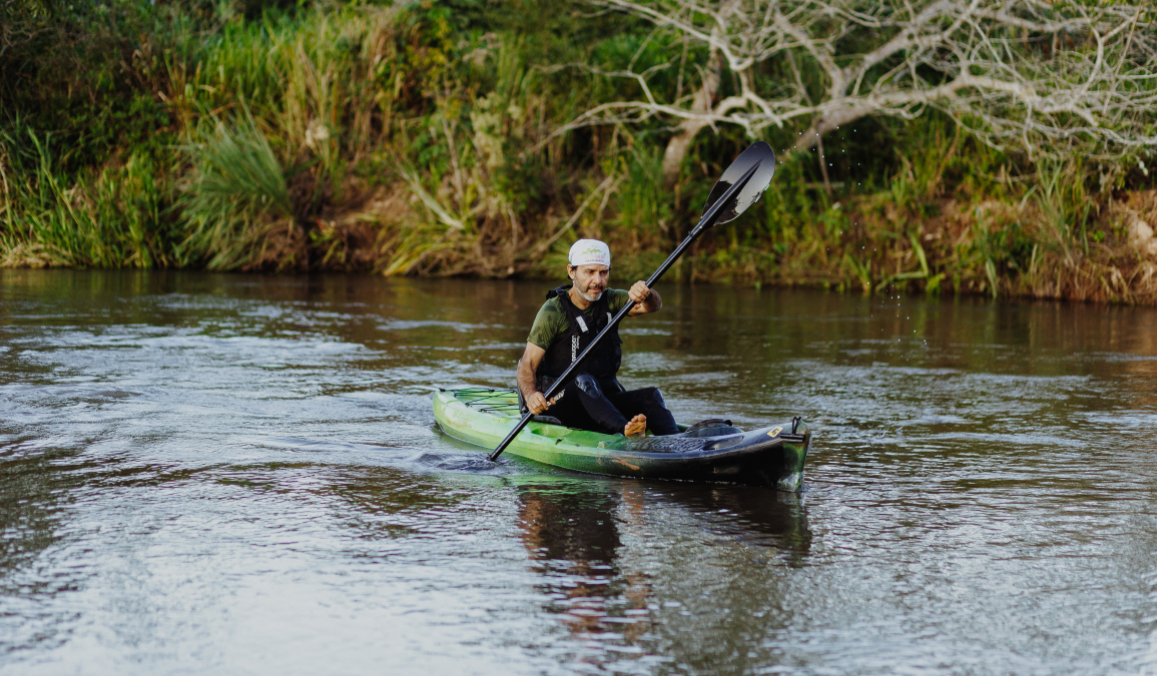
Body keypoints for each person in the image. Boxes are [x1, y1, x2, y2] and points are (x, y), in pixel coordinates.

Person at [516, 239, 680, 437]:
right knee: (583, 381)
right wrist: (531, 395)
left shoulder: (611, 299)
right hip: (558, 402)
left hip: (603, 399)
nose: (598, 281)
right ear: (571, 272)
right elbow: (527, 364)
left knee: (651, 396)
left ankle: (676, 442)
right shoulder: (554, 310)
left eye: (603, 272)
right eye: (590, 272)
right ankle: (627, 431)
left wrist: (646, 294)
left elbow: (652, 306)